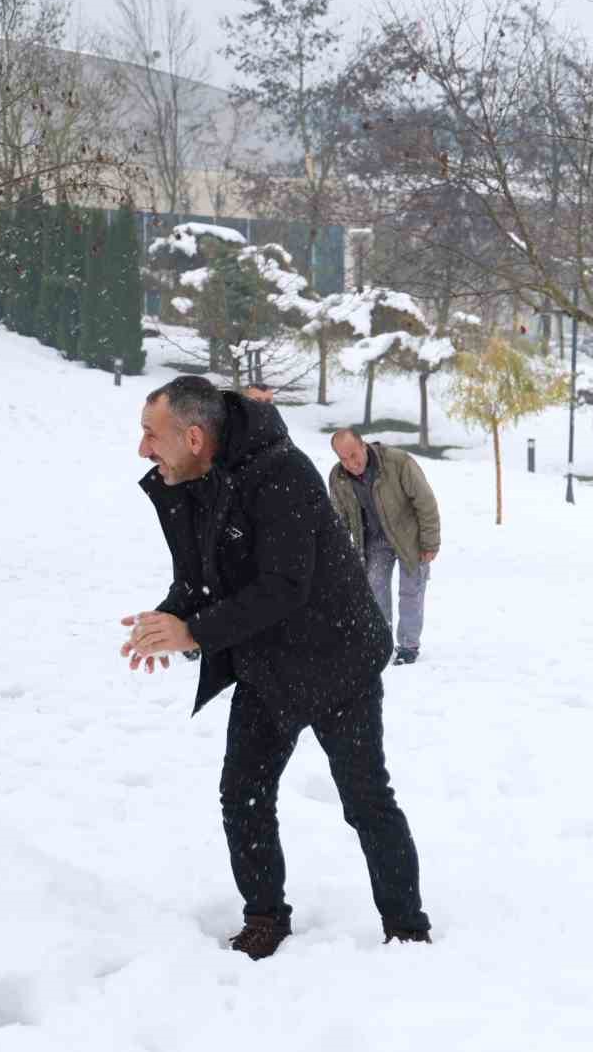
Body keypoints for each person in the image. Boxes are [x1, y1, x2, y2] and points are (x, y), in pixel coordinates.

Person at [123, 376, 431, 959]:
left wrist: (195, 632)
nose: (143, 449)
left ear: (193, 436)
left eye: (149, 435)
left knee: (365, 798)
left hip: (338, 659)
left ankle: (407, 928)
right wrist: (168, 620)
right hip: (267, 663)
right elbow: (200, 576)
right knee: (242, 792)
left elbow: (284, 585)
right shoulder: (187, 480)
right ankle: (265, 915)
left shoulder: (282, 474)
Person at [328, 429, 441, 666]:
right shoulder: (338, 477)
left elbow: (426, 502)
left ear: (363, 445)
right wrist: (336, 555)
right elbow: (338, 520)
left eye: (353, 455)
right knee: (375, 591)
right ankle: (381, 643)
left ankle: (409, 646)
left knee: (411, 592)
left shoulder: (398, 462)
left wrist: (430, 542)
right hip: (375, 542)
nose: (351, 463)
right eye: (343, 459)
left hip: (410, 538)